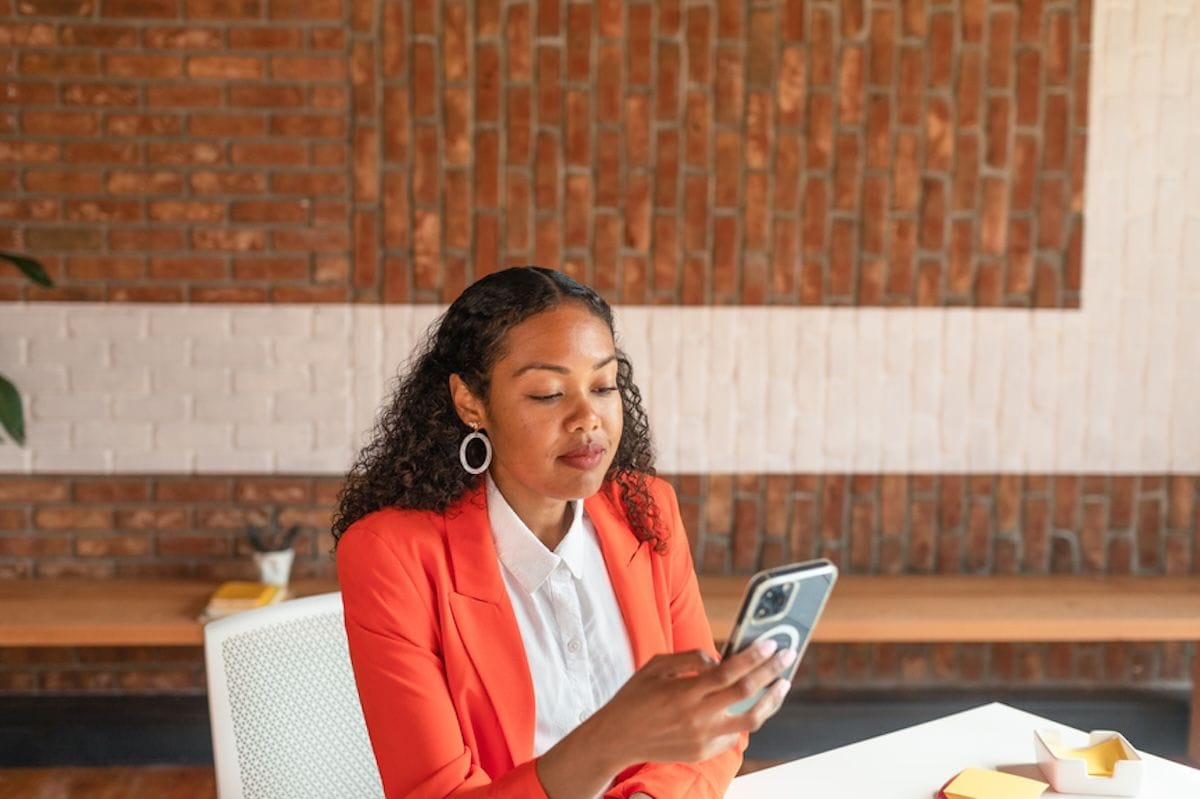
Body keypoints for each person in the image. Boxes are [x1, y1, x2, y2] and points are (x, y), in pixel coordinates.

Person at [333, 267, 794, 798]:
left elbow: (710, 732)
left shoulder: (648, 511)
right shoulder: (391, 554)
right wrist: (611, 740)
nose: (588, 417)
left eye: (603, 385)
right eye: (549, 394)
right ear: (471, 403)